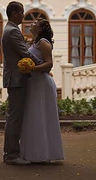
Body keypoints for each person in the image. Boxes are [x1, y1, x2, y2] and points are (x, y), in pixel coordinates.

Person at [19, 19, 65, 163]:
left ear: (39, 28)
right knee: (33, 115)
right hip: (34, 83)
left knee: (41, 115)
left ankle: (43, 154)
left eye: (34, 23)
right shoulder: (34, 42)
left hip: (41, 84)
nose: (30, 24)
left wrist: (31, 68)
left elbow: (49, 64)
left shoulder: (43, 42)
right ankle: (35, 153)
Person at [1, 1, 39, 165]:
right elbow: (25, 54)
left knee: (14, 117)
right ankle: (11, 154)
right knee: (15, 118)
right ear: (14, 13)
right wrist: (44, 65)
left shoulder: (11, 30)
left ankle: (11, 153)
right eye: (21, 12)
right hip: (17, 79)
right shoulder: (12, 32)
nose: (23, 15)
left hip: (16, 79)